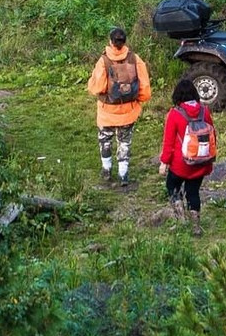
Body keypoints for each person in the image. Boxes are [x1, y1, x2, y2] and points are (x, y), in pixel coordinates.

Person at [87, 27, 150, 187]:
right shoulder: (135, 59)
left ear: (110, 41)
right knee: (125, 142)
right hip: (128, 110)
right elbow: (145, 89)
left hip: (107, 110)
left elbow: (97, 87)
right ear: (125, 41)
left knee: (105, 140)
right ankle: (124, 175)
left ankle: (107, 170)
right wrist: (137, 101)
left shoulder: (104, 61)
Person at [158, 76, 216, 229]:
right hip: (200, 162)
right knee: (193, 192)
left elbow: (169, 142)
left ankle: (181, 220)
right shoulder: (205, 111)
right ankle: (196, 226)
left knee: (172, 186)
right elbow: (212, 136)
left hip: (180, 164)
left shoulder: (175, 114)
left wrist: (164, 162)